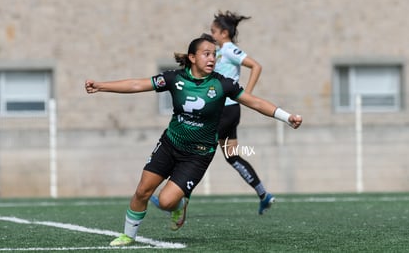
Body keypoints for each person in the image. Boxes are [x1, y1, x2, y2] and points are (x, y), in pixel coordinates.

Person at [85, 34, 302, 246]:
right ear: (192, 57)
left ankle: (180, 204)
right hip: (170, 144)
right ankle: (127, 236)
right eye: (206, 54)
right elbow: (136, 85)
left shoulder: (222, 84)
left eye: (214, 55)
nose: (211, 59)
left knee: (166, 201)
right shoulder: (174, 78)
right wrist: (101, 86)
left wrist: (287, 117)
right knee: (142, 191)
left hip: (198, 154)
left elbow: (254, 102)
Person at [210, 10, 273, 214]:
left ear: (224, 33)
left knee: (198, 150)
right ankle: (264, 194)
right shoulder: (219, 51)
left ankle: (178, 200)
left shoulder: (229, 49)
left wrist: (247, 94)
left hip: (226, 110)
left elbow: (255, 66)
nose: (211, 35)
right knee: (232, 156)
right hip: (227, 111)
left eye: (214, 31)